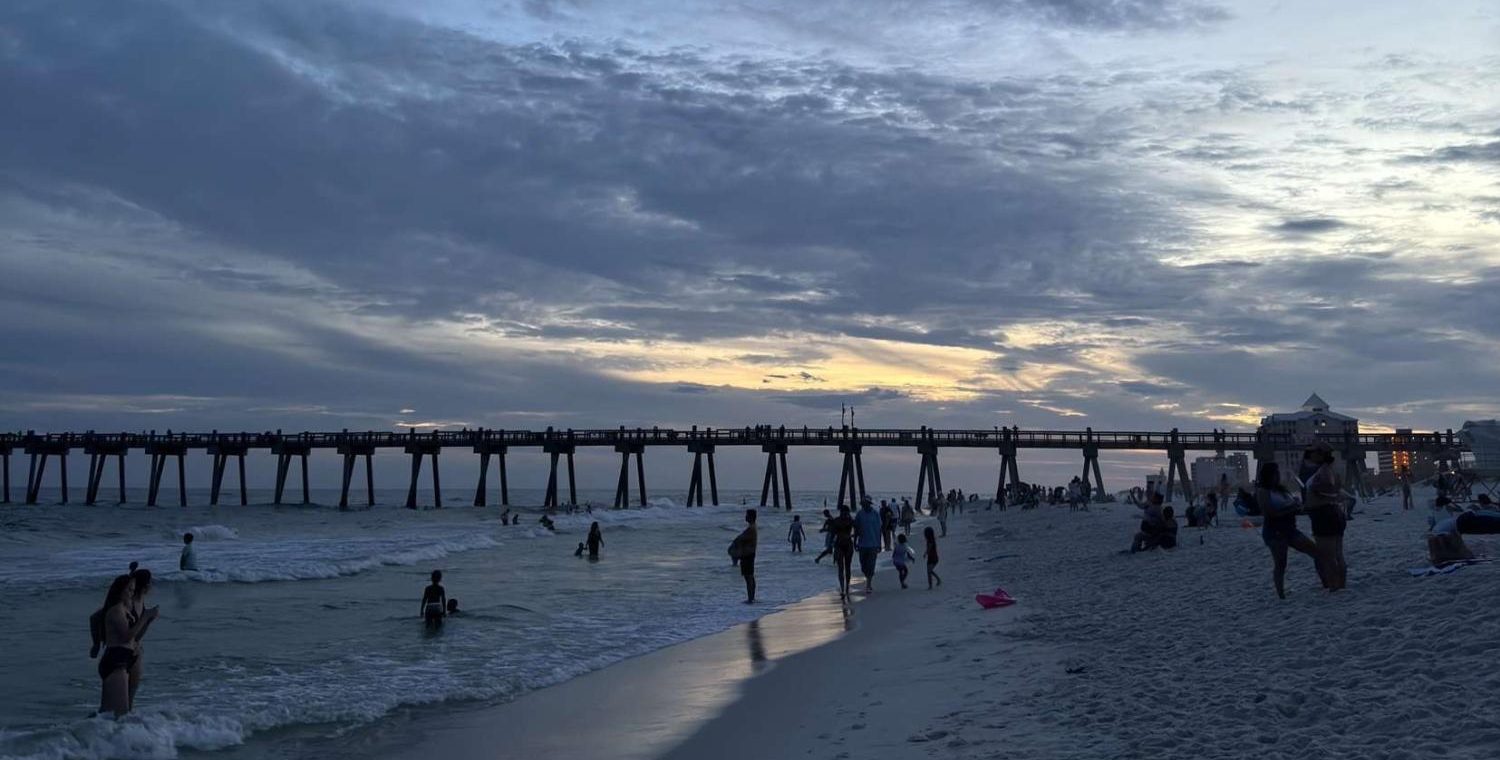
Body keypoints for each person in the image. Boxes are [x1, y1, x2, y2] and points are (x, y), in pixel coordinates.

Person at [1256, 462, 1318, 599]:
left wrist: (1297, 506)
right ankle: (1281, 594)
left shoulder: (1281, 490)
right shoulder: (1263, 491)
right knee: (1281, 563)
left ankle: (1326, 582)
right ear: (1268, 475)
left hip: (1290, 529)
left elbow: (1289, 507)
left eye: (1278, 473)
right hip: (1275, 532)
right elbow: (1269, 513)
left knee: (1315, 551)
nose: (1277, 476)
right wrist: (1292, 508)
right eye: (1275, 473)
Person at [98, 574, 156, 717]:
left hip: (127, 658)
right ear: (120, 591)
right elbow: (126, 636)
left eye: (133, 590)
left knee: (118, 712)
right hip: (116, 660)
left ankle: (97, 735)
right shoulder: (116, 610)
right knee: (118, 713)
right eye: (129, 590)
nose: (131, 593)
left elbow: (134, 637)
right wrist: (145, 617)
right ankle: (81, 734)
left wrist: (148, 621)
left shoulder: (126, 610)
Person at [1304, 443, 1347, 591]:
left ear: (1321, 454)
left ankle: (1335, 586)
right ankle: (1340, 585)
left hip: (1324, 514)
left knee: (1328, 555)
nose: (1310, 456)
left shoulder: (1324, 472)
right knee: (1337, 553)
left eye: (1313, 453)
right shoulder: (1331, 470)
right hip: (1332, 513)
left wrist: (1316, 491)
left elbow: (1327, 489)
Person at [127, 567, 157, 709]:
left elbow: (137, 635)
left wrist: (148, 621)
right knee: (124, 696)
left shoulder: (140, 601)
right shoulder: (129, 603)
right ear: (145, 586)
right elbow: (130, 634)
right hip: (124, 651)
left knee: (131, 694)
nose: (152, 585)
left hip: (135, 649)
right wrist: (96, 644)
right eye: (150, 582)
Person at [827, 504, 857, 600]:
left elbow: (857, 529)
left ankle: (847, 587)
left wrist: (854, 539)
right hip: (839, 545)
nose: (845, 514)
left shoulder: (850, 520)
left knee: (847, 567)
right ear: (841, 513)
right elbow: (832, 534)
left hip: (848, 545)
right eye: (844, 513)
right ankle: (842, 588)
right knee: (841, 568)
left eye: (846, 513)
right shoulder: (836, 521)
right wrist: (830, 546)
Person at [854, 497, 882, 593]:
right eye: (863, 504)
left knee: (871, 564)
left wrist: (879, 544)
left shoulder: (876, 514)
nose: (863, 505)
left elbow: (879, 530)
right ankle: (867, 578)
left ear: (869, 504)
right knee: (863, 565)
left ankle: (868, 584)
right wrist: (855, 542)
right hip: (862, 544)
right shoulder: (859, 514)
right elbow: (856, 529)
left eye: (865, 504)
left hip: (873, 544)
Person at [732, 509, 758, 603]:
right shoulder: (751, 528)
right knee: (749, 576)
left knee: (748, 577)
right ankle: (751, 597)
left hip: (748, 555)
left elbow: (741, 538)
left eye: (747, 515)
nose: (745, 517)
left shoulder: (751, 529)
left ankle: (750, 598)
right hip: (748, 554)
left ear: (751, 517)